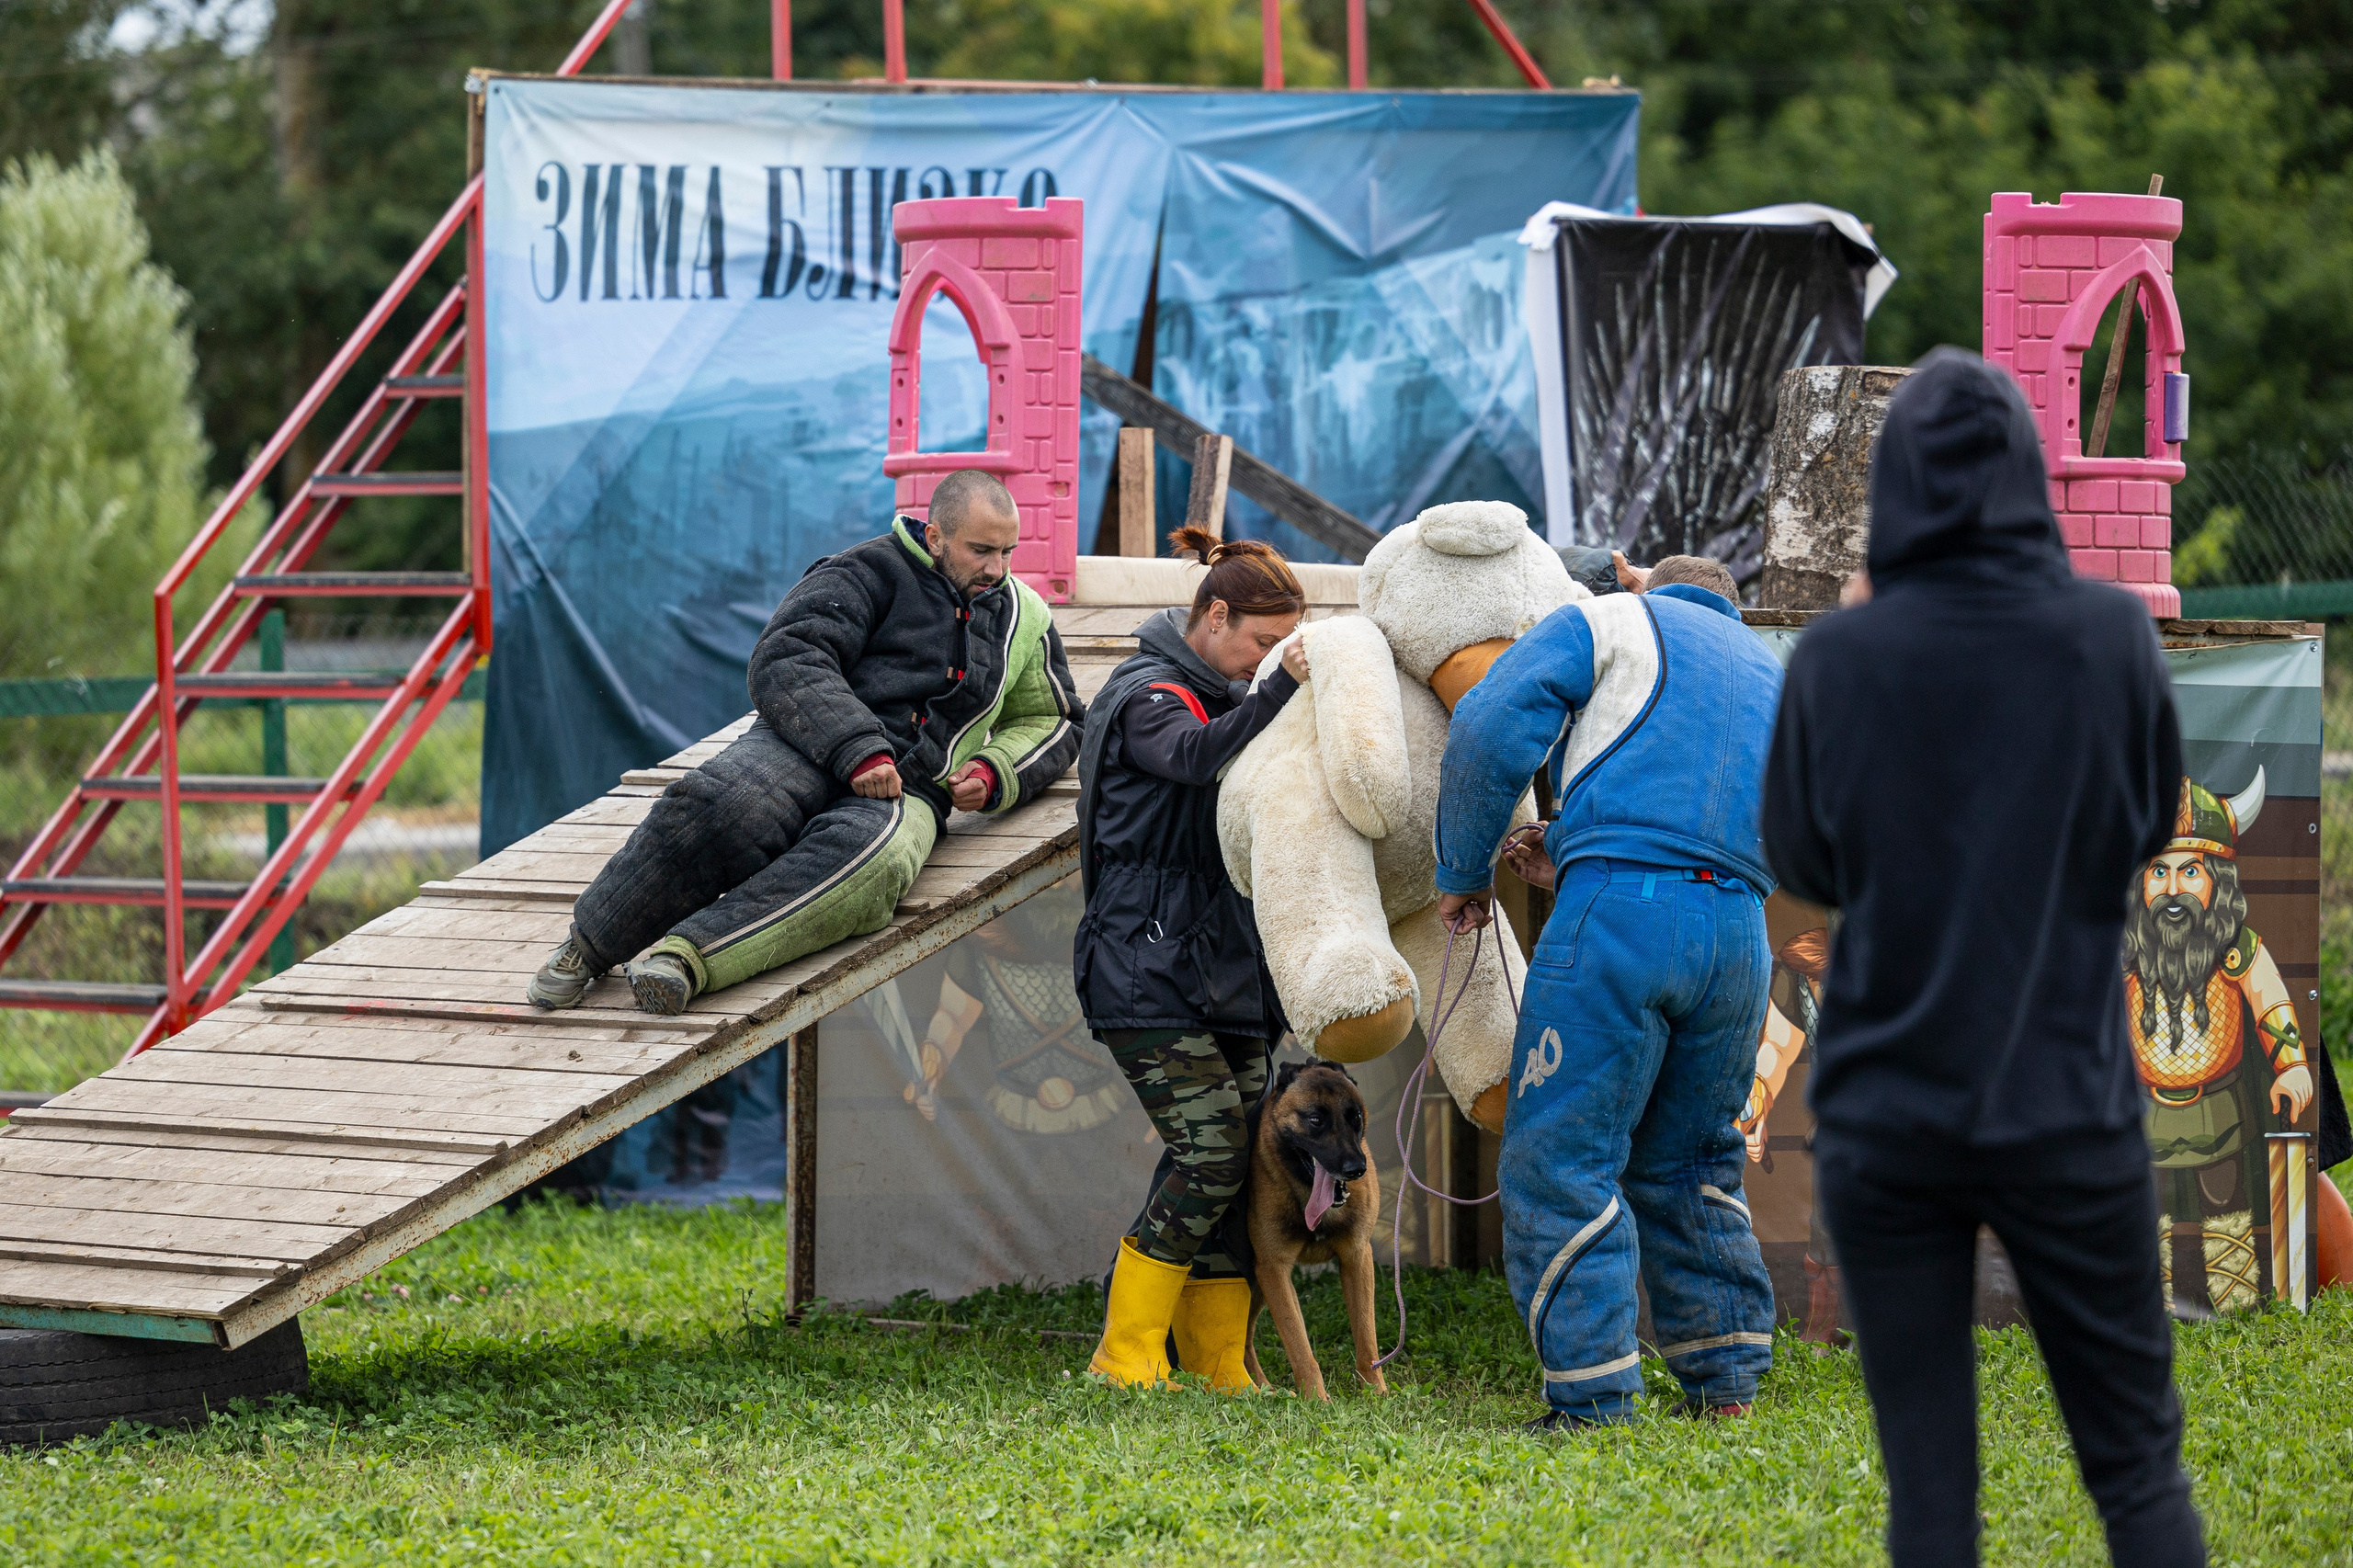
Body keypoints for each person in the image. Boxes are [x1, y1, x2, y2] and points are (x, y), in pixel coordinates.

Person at [1760, 348, 2205, 1568]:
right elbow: (2147, 824)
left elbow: (1803, 857)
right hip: (2067, 1102)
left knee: (1932, 1500)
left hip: (1889, 1116)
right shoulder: (2112, 635)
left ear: (1894, 484)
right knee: (2135, 1472)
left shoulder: (1841, 658)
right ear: (2028, 477)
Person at [1433, 551, 1784, 1428]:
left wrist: (1464, 870)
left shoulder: (1612, 621)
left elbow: (1487, 724)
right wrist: (1591, 845)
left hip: (1621, 926)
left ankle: (1593, 1400)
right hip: (1741, 934)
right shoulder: (1777, 677)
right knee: (1695, 1159)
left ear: (1640, 583)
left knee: (1560, 1156)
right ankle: (1726, 1384)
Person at [527, 469, 1083, 1016]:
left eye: (1008, 552)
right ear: (934, 536)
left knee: (874, 864)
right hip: (803, 744)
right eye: (981, 550)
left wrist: (994, 773)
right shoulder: (863, 571)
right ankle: (591, 945)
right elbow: (788, 656)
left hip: (910, 792)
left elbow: (1055, 719)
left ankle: (687, 960)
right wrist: (859, 747)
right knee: (725, 804)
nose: (998, 569)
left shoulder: (1024, 616)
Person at [1073, 526, 1309, 1389]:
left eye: (1281, 646)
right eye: (1259, 642)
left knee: (1245, 1161)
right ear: (1213, 617)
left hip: (1226, 975)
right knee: (1211, 1154)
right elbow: (1197, 758)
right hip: (1144, 972)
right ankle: (1124, 1353)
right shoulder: (1150, 695)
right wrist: (1282, 685)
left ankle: (1216, 1361)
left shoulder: (1227, 689)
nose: (1265, 660)